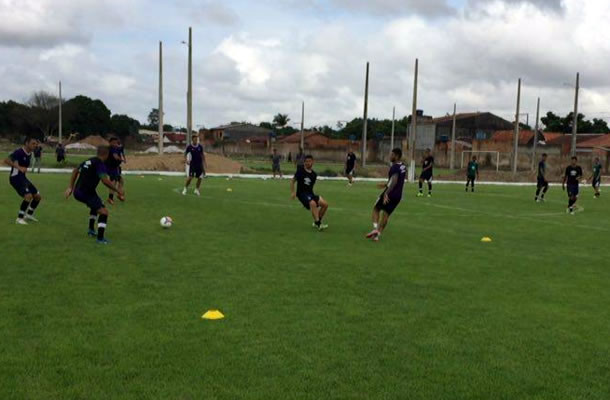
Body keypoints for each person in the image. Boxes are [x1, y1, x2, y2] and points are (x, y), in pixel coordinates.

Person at [65, 146, 124, 244]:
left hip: (82, 191)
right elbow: (104, 180)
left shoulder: (89, 160)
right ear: (106, 155)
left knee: (97, 206)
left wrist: (70, 187)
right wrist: (117, 190)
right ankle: (100, 239)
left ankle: (91, 230)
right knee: (104, 212)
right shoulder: (99, 164)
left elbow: (75, 170)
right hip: (85, 193)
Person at [366, 148, 407, 241]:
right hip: (398, 196)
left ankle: (375, 229)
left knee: (376, 209)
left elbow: (394, 181)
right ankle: (377, 236)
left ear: (396, 156)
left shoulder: (394, 167)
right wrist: (385, 184)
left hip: (390, 194)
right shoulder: (403, 167)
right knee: (386, 214)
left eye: (392, 155)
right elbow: (396, 181)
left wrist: (386, 193)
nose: (390, 156)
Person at [4, 138, 43, 225]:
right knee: (28, 196)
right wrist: (19, 168)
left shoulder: (30, 153)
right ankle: (19, 218)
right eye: (33, 143)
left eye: (36, 144)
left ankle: (28, 215)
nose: (35, 145)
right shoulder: (19, 152)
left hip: (22, 178)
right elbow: (6, 160)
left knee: (37, 196)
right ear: (26, 143)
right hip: (15, 178)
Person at [291, 155, 329, 231]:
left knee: (325, 204)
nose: (308, 163)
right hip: (302, 194)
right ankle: (318, 224)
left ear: (313, 162)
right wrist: (293, 192)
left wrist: (313, 197)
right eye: (306, 161)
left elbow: (310, 187)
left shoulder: (314, 175)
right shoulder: (300, 171)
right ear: (304, 162)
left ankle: (317, 221)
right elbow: (292, 181)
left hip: (310, 194)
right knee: (312, 203)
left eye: (309, 161)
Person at [105, 137, 123, 205]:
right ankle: (110, 198)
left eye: (116, 142)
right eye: (114, 142)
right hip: (111, 168)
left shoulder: (113, 148)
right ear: (110, 143)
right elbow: (115, 156)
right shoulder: (112, 148)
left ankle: (119, 194)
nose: (116, 144)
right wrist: (121, 159)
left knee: (121, 180)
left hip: (114, 167)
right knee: (113, 182)